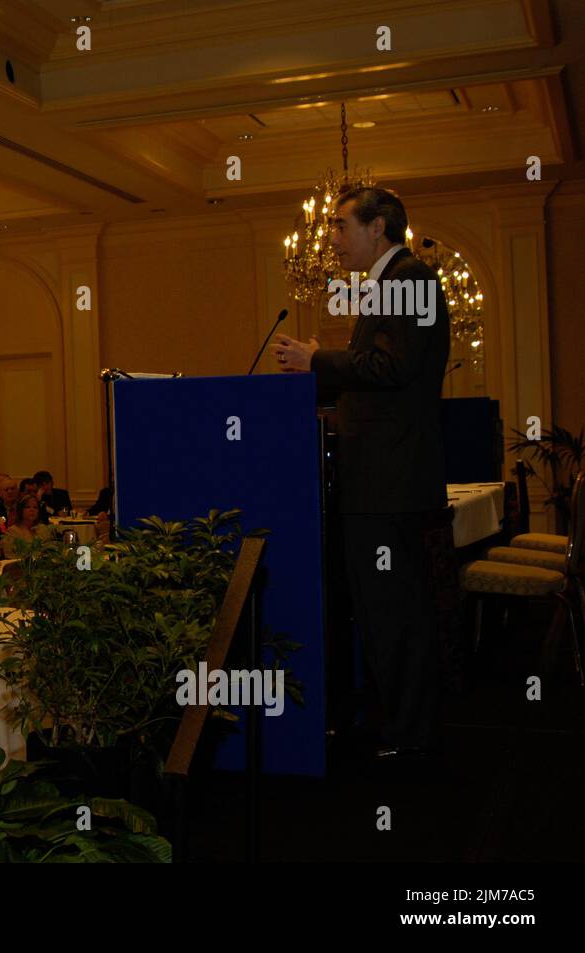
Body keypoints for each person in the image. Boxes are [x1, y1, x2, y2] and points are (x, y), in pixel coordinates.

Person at [272, 185, 450, 760]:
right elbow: (378, 372)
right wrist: (323, 362)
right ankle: (401, 727)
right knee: (388, 611)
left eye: (342, 226)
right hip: (383, 481)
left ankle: (411, 735)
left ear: (379, 227)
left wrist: (316, 360)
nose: (331, 239)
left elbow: (393, 366)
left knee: (395, 611)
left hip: (388, 484)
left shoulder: (409, 280)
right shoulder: (388, 285)